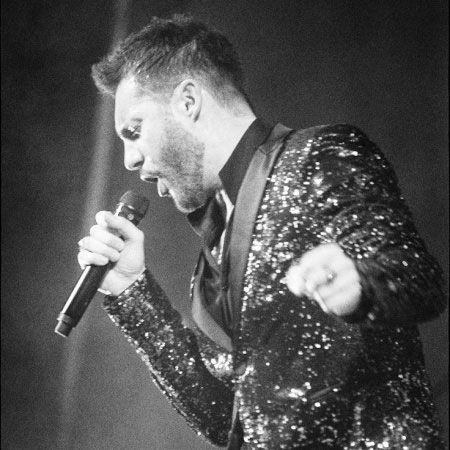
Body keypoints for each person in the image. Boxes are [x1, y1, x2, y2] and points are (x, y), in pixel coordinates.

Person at [77, 14, 446, 449]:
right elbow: (227, 420)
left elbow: (420, 276)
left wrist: (362, 282)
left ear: (188, 101)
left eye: (134, 131)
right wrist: (132, 292)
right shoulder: (211, 255)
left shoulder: (318, 157)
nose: (129, 160)